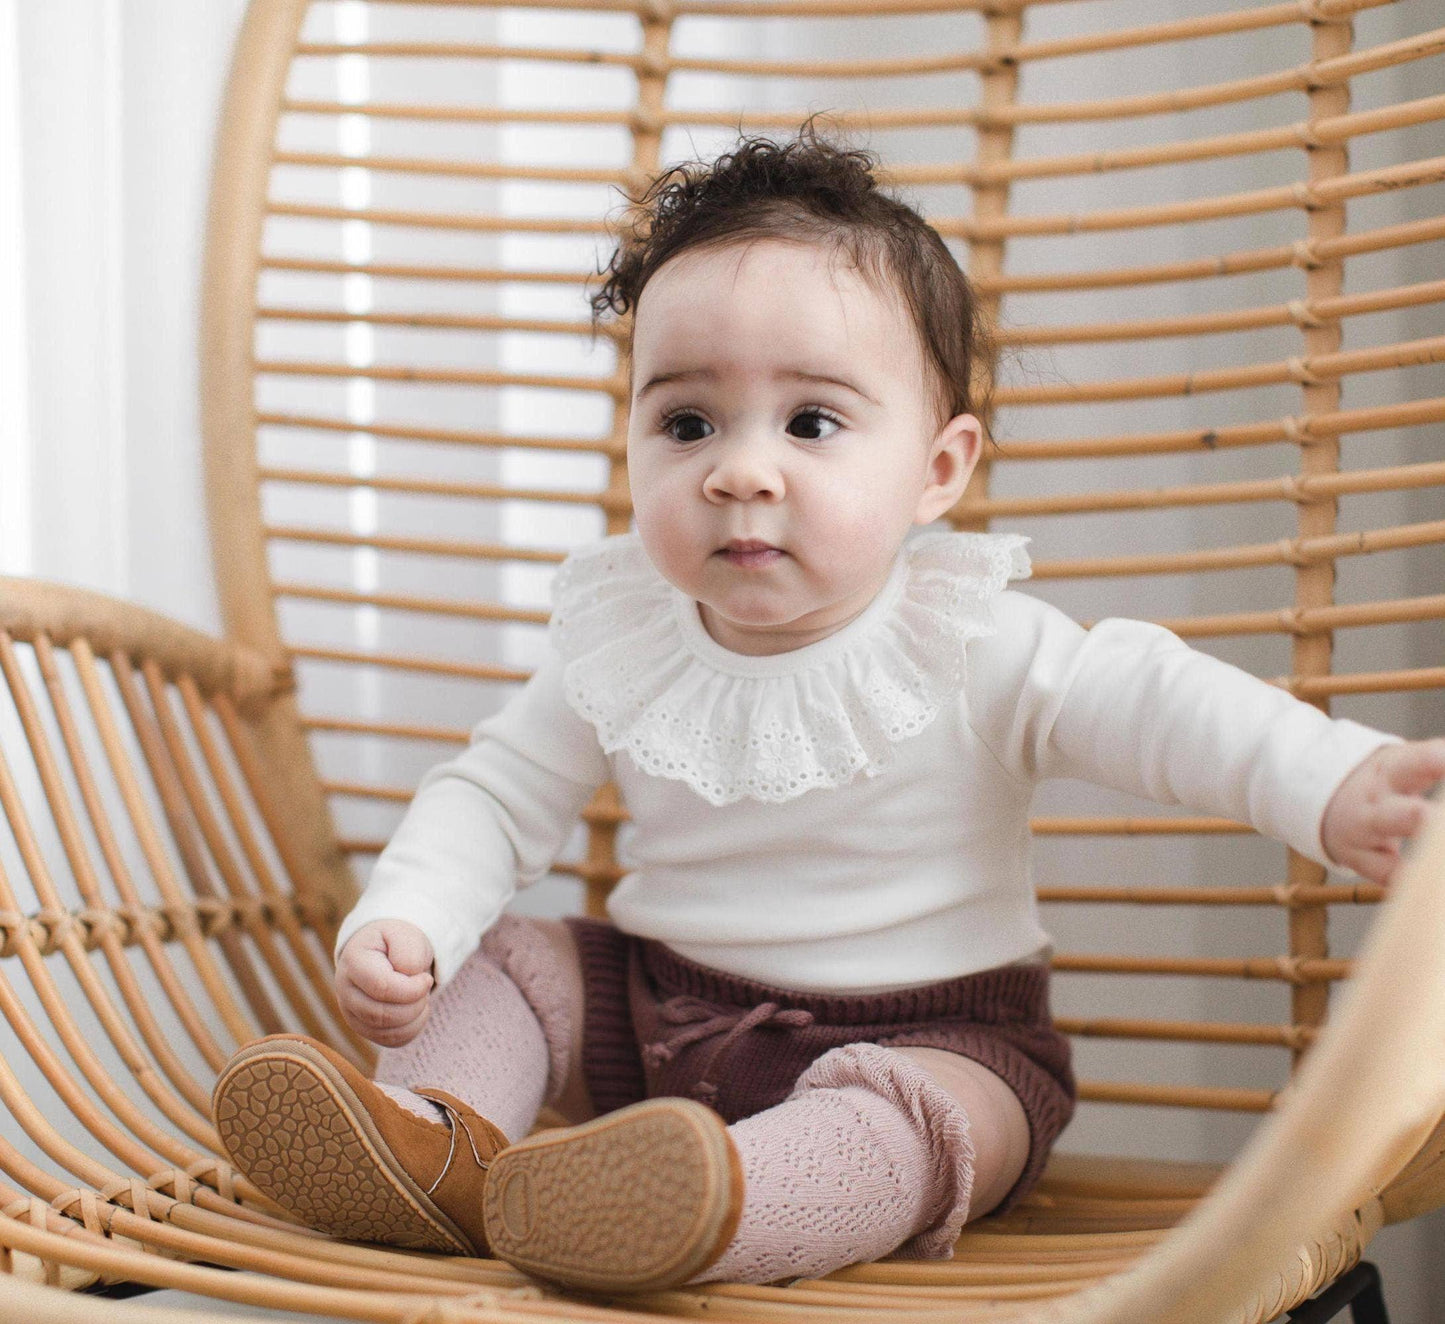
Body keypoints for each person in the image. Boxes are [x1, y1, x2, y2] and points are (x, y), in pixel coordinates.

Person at [210, 130, 1445, 1294]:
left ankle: (712, 1211)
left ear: (937, 470)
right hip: (654, 1013)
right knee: (507, 960)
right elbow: (493, 791)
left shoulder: (977, 640)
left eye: (810, 421)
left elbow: (1167, 707)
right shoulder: (628, 632)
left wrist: (1332, 785)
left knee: (912, 1130)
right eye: (685, 420)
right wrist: (410, 919)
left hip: (941, 1037)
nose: (738, 467)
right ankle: (436, 1149)